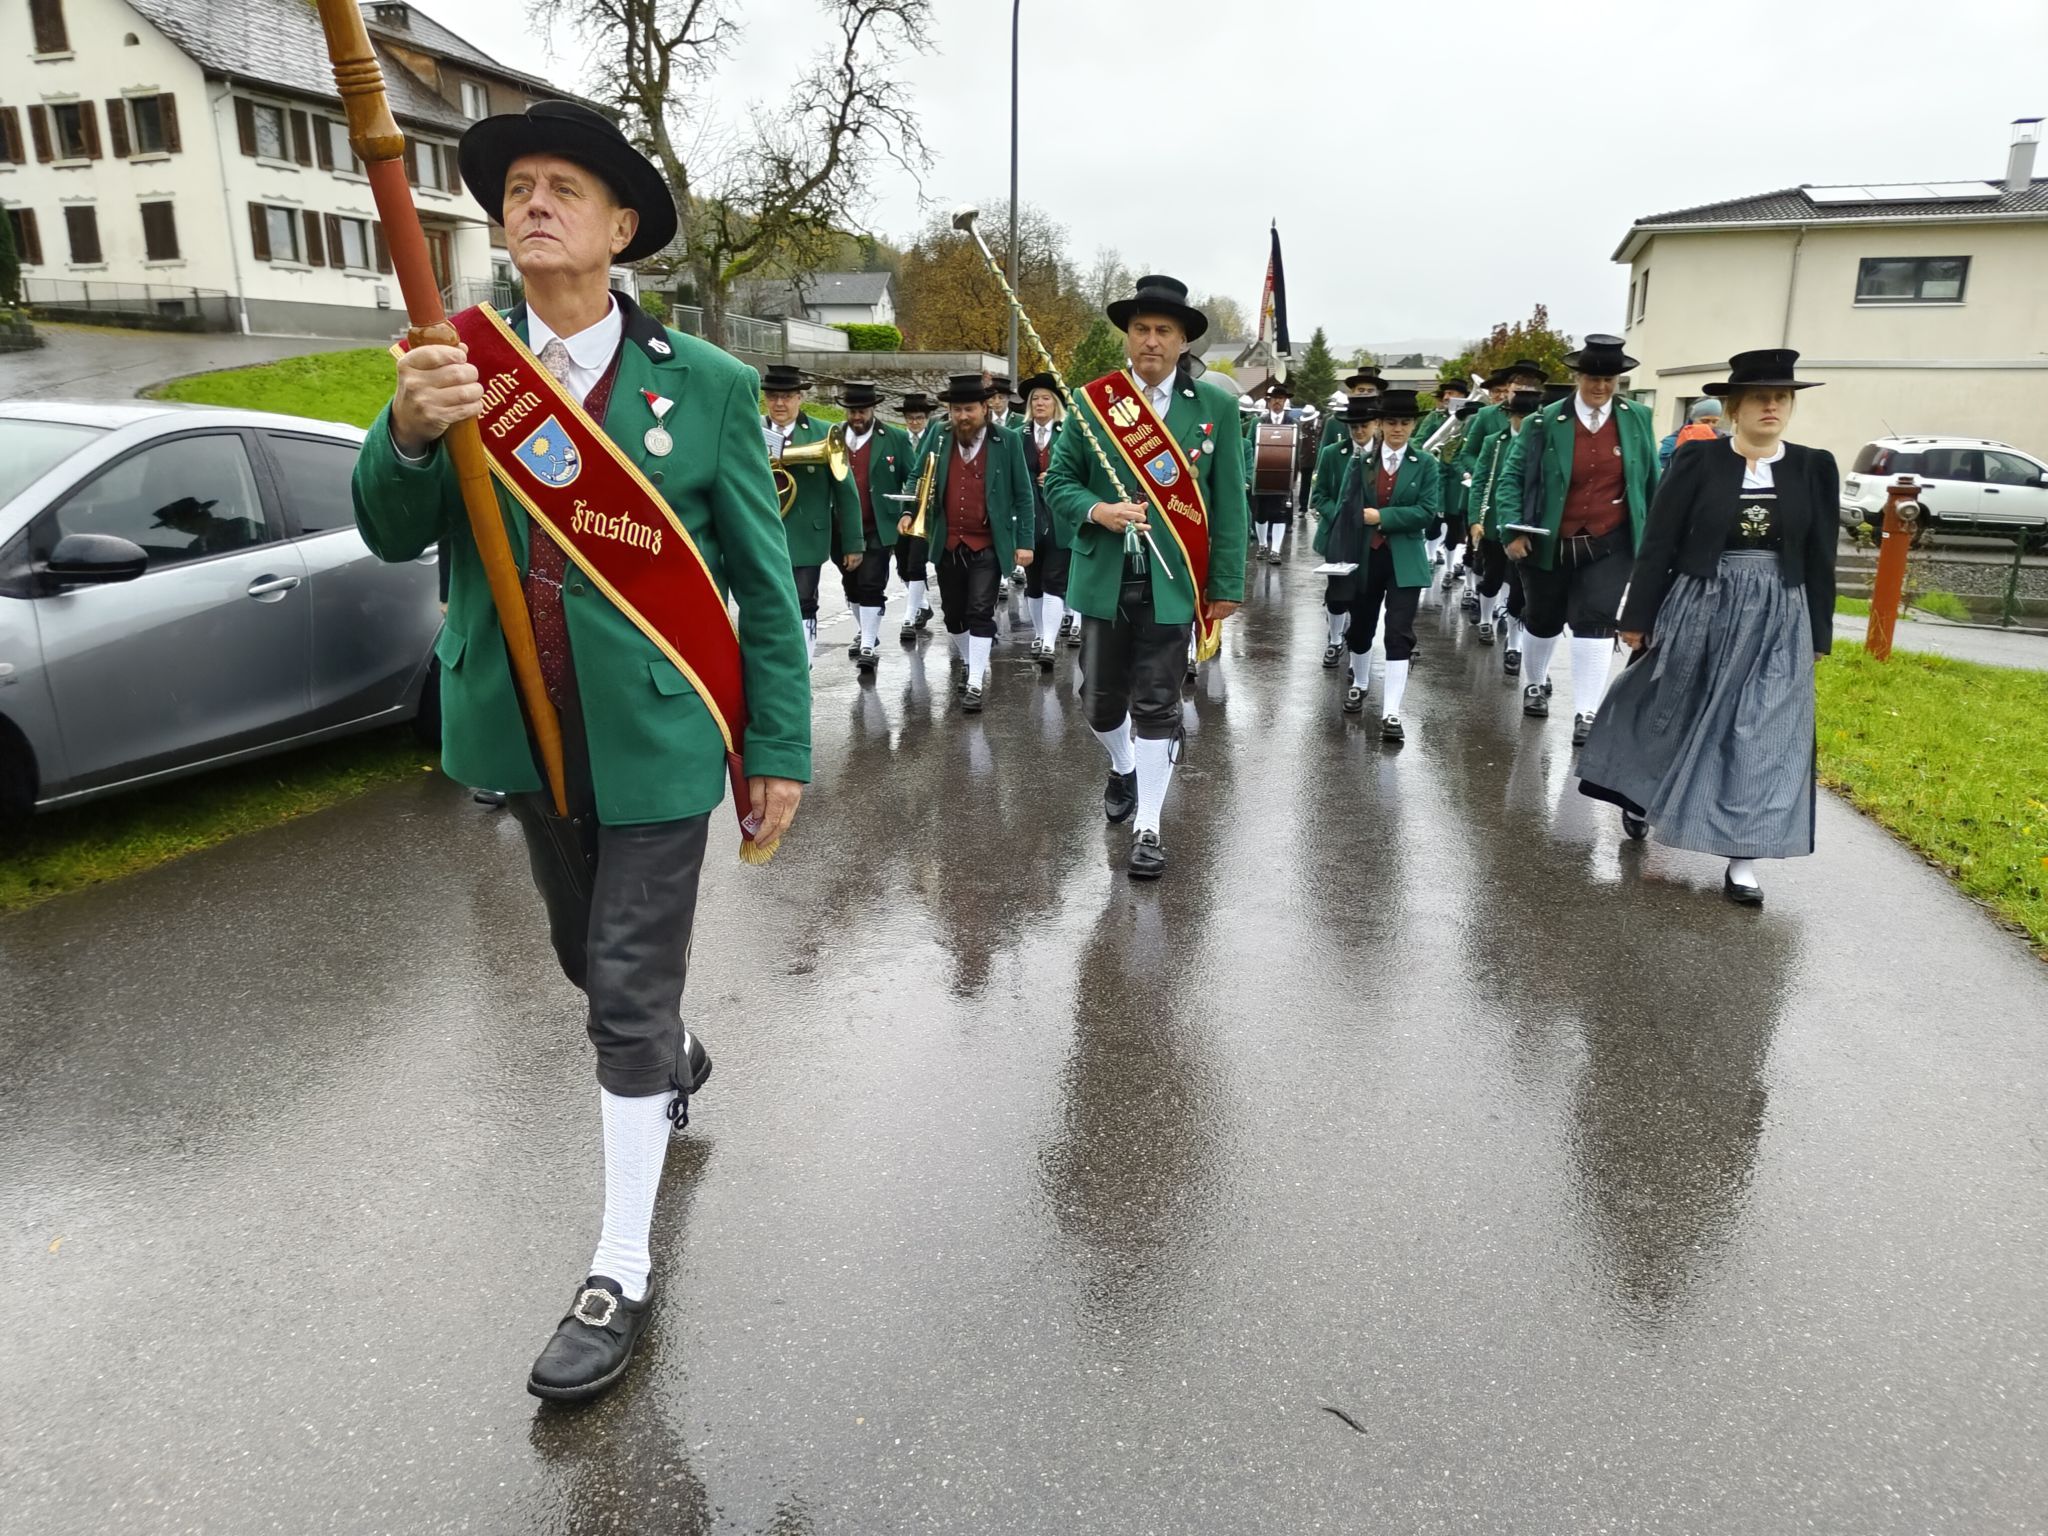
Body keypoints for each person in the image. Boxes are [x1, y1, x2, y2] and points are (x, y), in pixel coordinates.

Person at [350, 101, 809, 1402]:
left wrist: (774, 744)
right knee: (583, 956)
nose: (534, 202)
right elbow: (391, 530)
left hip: (659, 739)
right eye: (520, 188)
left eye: (567, 188)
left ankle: (619, 1269)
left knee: (618, 986)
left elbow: (763, 593)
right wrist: (413, 433)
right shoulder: (460, 363)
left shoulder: (707, 387)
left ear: (621, 230)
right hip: (521, 732)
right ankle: (671, 1046)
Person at [1578, 349, 1838, 907]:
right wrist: (1638, 617)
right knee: (1672, 708)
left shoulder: (1813, 467)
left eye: (1783, 398)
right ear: (1733, 406)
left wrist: (1818, 631)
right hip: (1702, 600)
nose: (1773, 407)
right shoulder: (1699, 462)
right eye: (1761, 398)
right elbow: (1660, 544)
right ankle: (1641, 792)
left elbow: (1821, 555)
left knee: (1764, 730)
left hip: (1778, 613)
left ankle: (1743, 859)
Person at [1044, 274, 1248, 880]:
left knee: (1159, 704)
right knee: (1099, 704)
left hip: (1174, 581)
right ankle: (1123, 764)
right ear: (1127, 336)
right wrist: (1097, 510)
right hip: (1107, 577)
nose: (1151, 341)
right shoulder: (1092, 402)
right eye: (1141, 329)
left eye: (1164, 331)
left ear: (1184, 341)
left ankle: (1149, 826)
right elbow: (1058, 483)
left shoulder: (1216, 407)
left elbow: (1228, 500)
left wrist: (1226, 584)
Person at [1496, 334, 1661, 745]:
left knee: (1598, 619)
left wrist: (1656, 538)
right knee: (1544, 618)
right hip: (1549, 540)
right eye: (1592, 377)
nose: (1601, 386)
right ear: (1577, 376)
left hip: (1611, 539)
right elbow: (1512, 478)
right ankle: (1535, 683)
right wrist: (1513, 530)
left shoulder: (1638, 417)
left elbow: (1651, 479)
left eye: (1610, 378)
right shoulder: (1543, 421)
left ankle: (1587, 712)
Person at [901, 373, 1033, 712]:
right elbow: (917, 475)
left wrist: (1025, 542)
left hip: (988, 542)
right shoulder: (939, 435)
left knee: (980, 610)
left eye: (969, 409)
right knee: (953, 616)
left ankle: (974, 681)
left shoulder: (1008, 441)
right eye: (956, 409)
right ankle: (970, 663)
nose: (962, 416)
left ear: (985, 407)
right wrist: (907, 511)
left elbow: (1023, 495)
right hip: (947, 542)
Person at [1326, 390, 1438, 741]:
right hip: (1365, 556)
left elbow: (1426, 512)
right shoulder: (1361, 462)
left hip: (1405, 559)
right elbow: (1345, 506)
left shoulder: (1427, 464)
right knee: (1361, 628)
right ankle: (1359, 683)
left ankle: (1391, 712)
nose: (1398, 429)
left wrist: (1382, 516)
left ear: (1413, 424)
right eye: (1391, 422)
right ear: (1381, 424)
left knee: (1398, 632)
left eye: (1405, 422)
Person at [761, 362, 862, 669]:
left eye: (787, 396)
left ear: (799, 398)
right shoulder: (752, 428)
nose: (780, 403)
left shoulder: (822, 432)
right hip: (762, 533)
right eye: (774, 396)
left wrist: (853, 542)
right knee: (767, 604)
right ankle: (772, 664)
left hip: (807, 535)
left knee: (805, 601)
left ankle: (802, 664)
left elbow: (846, 489)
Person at [1465, 381, 1545, 668]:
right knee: (1493, 576)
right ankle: (1486, 619)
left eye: (1530, 418)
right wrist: (1475, 519)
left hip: (1530, 525)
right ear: (1510, 416)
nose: (1524, 423)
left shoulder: (1543, 441)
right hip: (1495, 519)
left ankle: (1514, 643)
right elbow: (1480, 482)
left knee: (1519, 588)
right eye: (1519, 417)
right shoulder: (1494, 443)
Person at [837, 380, 914, 674]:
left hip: (879, 524)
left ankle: (868, 643)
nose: (857, 417)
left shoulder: (893, 438)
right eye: (852, 412)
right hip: (842, 525)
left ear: (873, 409)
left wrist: (905, 510)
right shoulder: (833, 436)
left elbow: (912, 475)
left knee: (871, 582)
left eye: (862, 411)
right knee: (851, 585)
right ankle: (864, 629)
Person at [1310, 394, 1378, 670]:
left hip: (1371, 537)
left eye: (1364, 425)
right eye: (1354, 427)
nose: (1359, 431)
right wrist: (1338, 514)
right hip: (1338, 535)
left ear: (1375, 424)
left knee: (1365, 597)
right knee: (1337, 594)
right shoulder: (1332, 453)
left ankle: (1358, 651)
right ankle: (1335, 640)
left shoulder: (1383, 456)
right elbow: (1320, 494)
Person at [1017, 372, 1073, 667]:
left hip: (1061, 516)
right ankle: (1040, 634)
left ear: (1056, 405)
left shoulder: (1069, 433)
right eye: (1035, 399)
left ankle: (1049, 643)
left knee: (1055, 578)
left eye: (1046, 399)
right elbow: (1012, 473)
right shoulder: (1018, 434)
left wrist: (1054, 477)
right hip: (1029, 517)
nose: (1040, 403)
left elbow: (1079, 469)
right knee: (1033, 579)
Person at [893, 390, 938, 641]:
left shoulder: (933, 438)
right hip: (904, 508)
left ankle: (911, 614)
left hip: (928, 512)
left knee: (916, 561)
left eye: (919, 418)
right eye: (910, 418)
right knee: (902, 562)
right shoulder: (900, 439)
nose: (914, 422)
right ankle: (922, 604)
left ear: (927, 418)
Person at [1247, 379, 1299, 563]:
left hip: (1283, 477)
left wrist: (1293, 477)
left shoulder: (1293, 423)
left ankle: (1275, 550)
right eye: (1274, 399)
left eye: (1281, 398)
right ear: (1269, 402)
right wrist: (1250, 474)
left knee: (1279, 513)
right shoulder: (1258, 422)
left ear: (1285, 401)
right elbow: (1249, 447)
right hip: (1260, 476)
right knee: (1260, 513)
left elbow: (1296, 451)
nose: (1277, 402)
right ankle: (1262, 545)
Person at [1660, 396, 1725, 469]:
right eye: (1705, 421)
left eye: (1714, 421)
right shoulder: (1671, 442)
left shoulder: (1723, 439)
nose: (1710, 426)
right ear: (1692, 419)